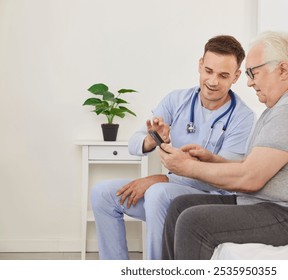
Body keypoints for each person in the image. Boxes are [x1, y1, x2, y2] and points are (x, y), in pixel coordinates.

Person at [159, 31, 288, 260]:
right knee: (179, 206)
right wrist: (213, 159)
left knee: (193, 221)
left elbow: (250, 178)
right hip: (269, 204)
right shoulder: (280, 107)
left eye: (253, 72)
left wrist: (186, 167)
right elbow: (252, 165)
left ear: (282, 70)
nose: (249, 82)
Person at [90, 35, 256, 260]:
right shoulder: (176, 100)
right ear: (200, 65)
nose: (213, 81)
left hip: (213, 198)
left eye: (223, 75)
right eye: (208, 71)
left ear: (236, 76)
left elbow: (223, 175)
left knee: (158, 192)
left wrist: (160, 179)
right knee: (102, 194)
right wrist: (152, 139)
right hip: (171, 191)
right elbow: (133, 143)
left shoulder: (242, 117)